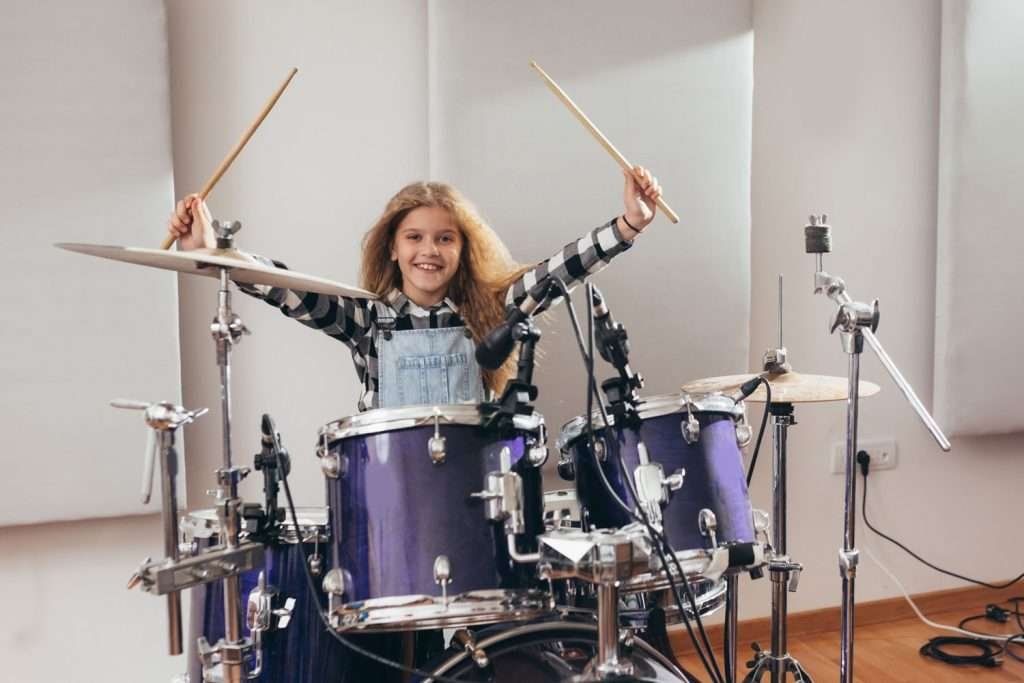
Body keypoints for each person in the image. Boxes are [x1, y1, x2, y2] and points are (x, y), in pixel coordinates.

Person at [169, 166, 661, 411]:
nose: (430, 250)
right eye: (415, 238)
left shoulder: (489, 311)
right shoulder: (365, 320)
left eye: (445, 238)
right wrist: (213, 253)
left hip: (476, 490)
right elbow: (282, 285)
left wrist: (627, 225)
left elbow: (560, 271)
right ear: (392, 248)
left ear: (462, 248)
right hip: (391, 489)